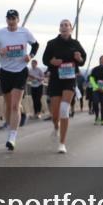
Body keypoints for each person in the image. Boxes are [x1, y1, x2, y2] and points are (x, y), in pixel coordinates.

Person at [0, 9, 38, 151]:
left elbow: (36, 45)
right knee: (9, 105)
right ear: (6, 19)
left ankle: (12, 137)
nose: (11, 21)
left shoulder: (24, 32)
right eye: (9, 18)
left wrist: (30, 55)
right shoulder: (0, 33)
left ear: (18, 20)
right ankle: (12, 125)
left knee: (15, 105)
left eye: (14, 18)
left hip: (20, 71)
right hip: (5, 72)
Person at [42, 19, 87, 153]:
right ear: (59, 29)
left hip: (69, 79)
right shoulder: (52, 43)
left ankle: (62, 143)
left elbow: (82, 60)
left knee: (64, 109)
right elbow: (45, 59)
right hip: (56, 79)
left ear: (71, 29)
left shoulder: (75, 44)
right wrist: (52, 62)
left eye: (66, 25)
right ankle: (56, 126)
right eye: (61, 25)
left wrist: (79, 59)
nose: (64, 27)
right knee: (55, 114)